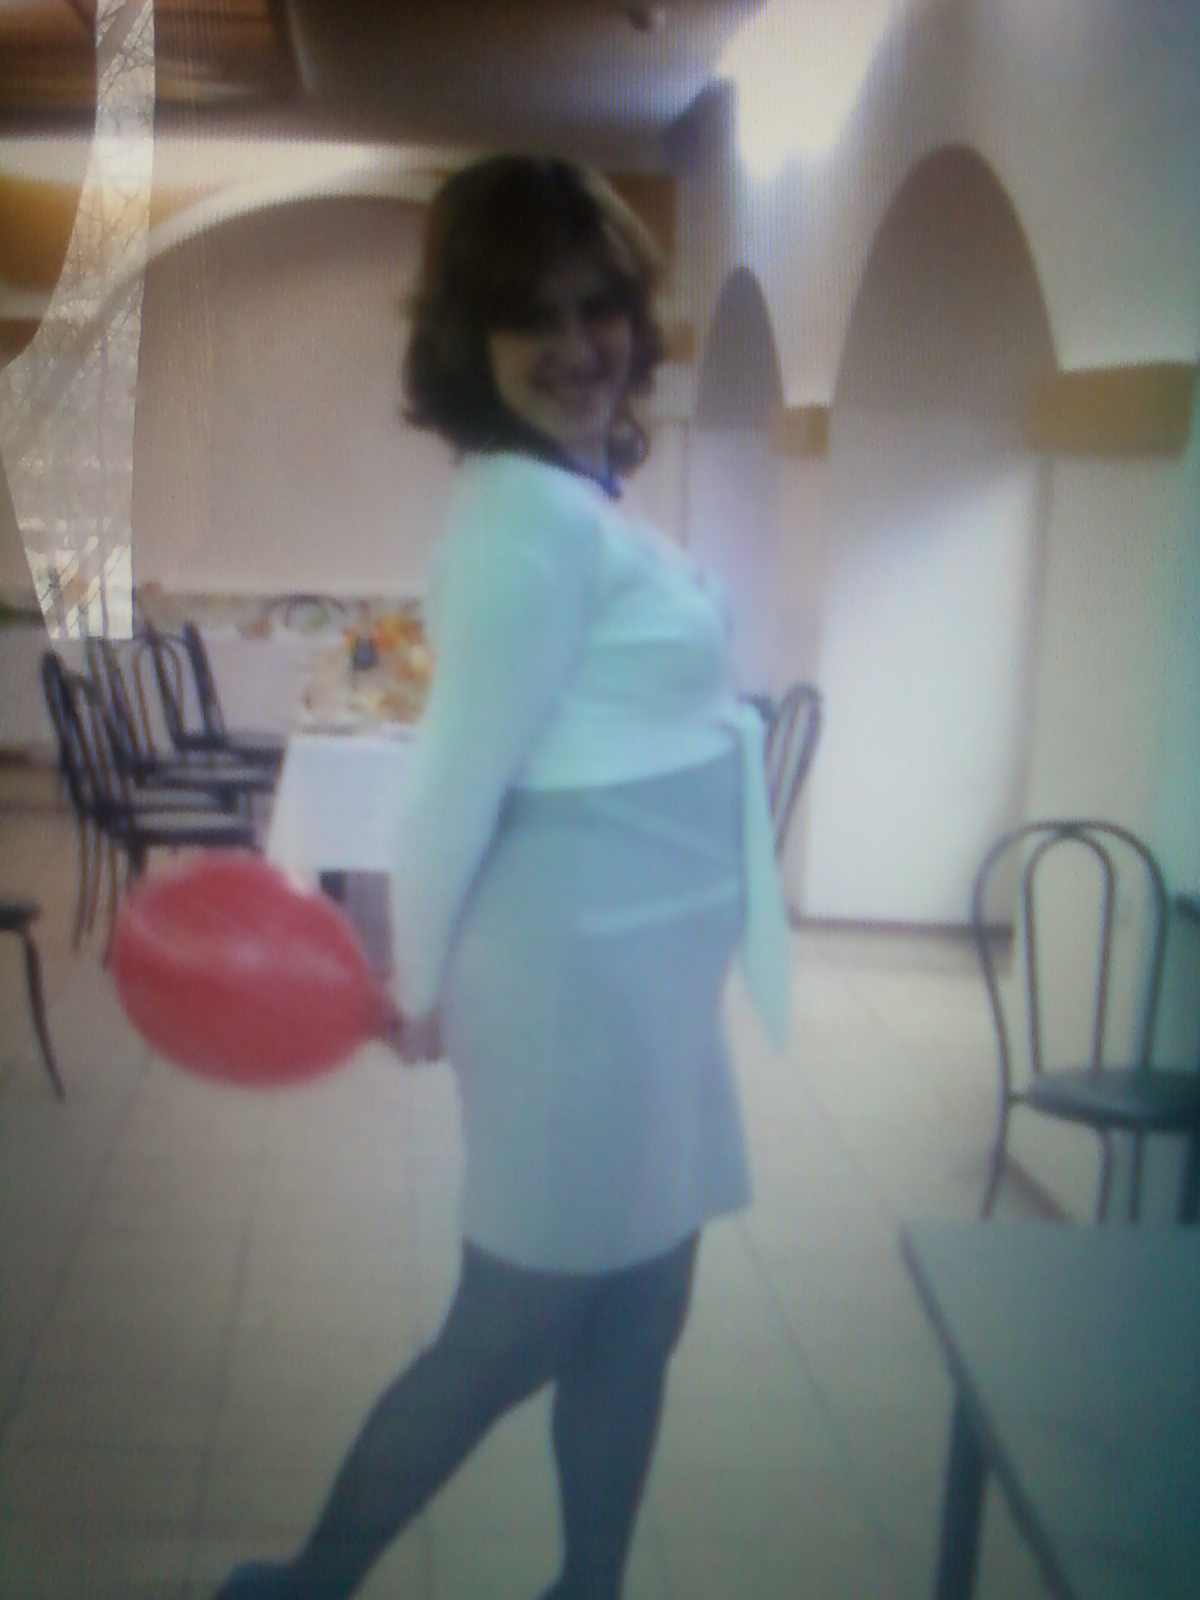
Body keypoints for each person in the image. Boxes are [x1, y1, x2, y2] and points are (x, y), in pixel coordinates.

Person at [216, 155, 789, 1600]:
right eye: (534, 317)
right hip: (574, 1000)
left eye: (601, 306)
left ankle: (588, 1584)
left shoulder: (574, 494)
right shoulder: (523, 525)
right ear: (470, 344)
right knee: (512, 1330)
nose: (581, 344)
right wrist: (418, 981)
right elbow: (450, 785)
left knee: (643, 1309)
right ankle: (312, 1583)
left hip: (651, 1000)